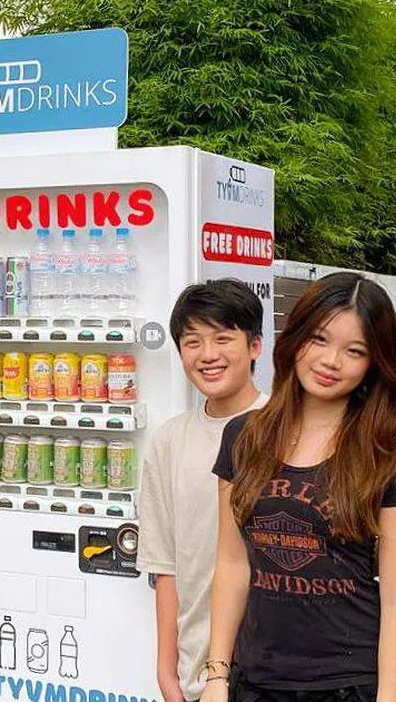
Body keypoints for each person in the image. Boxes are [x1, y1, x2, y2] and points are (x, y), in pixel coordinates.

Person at [205, 272, 396, 702]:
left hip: (347, 686)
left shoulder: (391, 459)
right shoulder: (242, 436)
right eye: (320, 340)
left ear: (374, 364)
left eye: (355, 350)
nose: (331, 361)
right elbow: (232, 564)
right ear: (296, 338)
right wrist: (217, 675)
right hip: (255, 681)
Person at [137, 279, 269, 702]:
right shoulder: (169, 441)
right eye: (193, 341)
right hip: (198, 677)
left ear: (255, 347)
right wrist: (166, 671)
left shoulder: (287, 428)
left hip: (278, 670)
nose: (207, 355)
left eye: (223, 338)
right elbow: (165, 565)